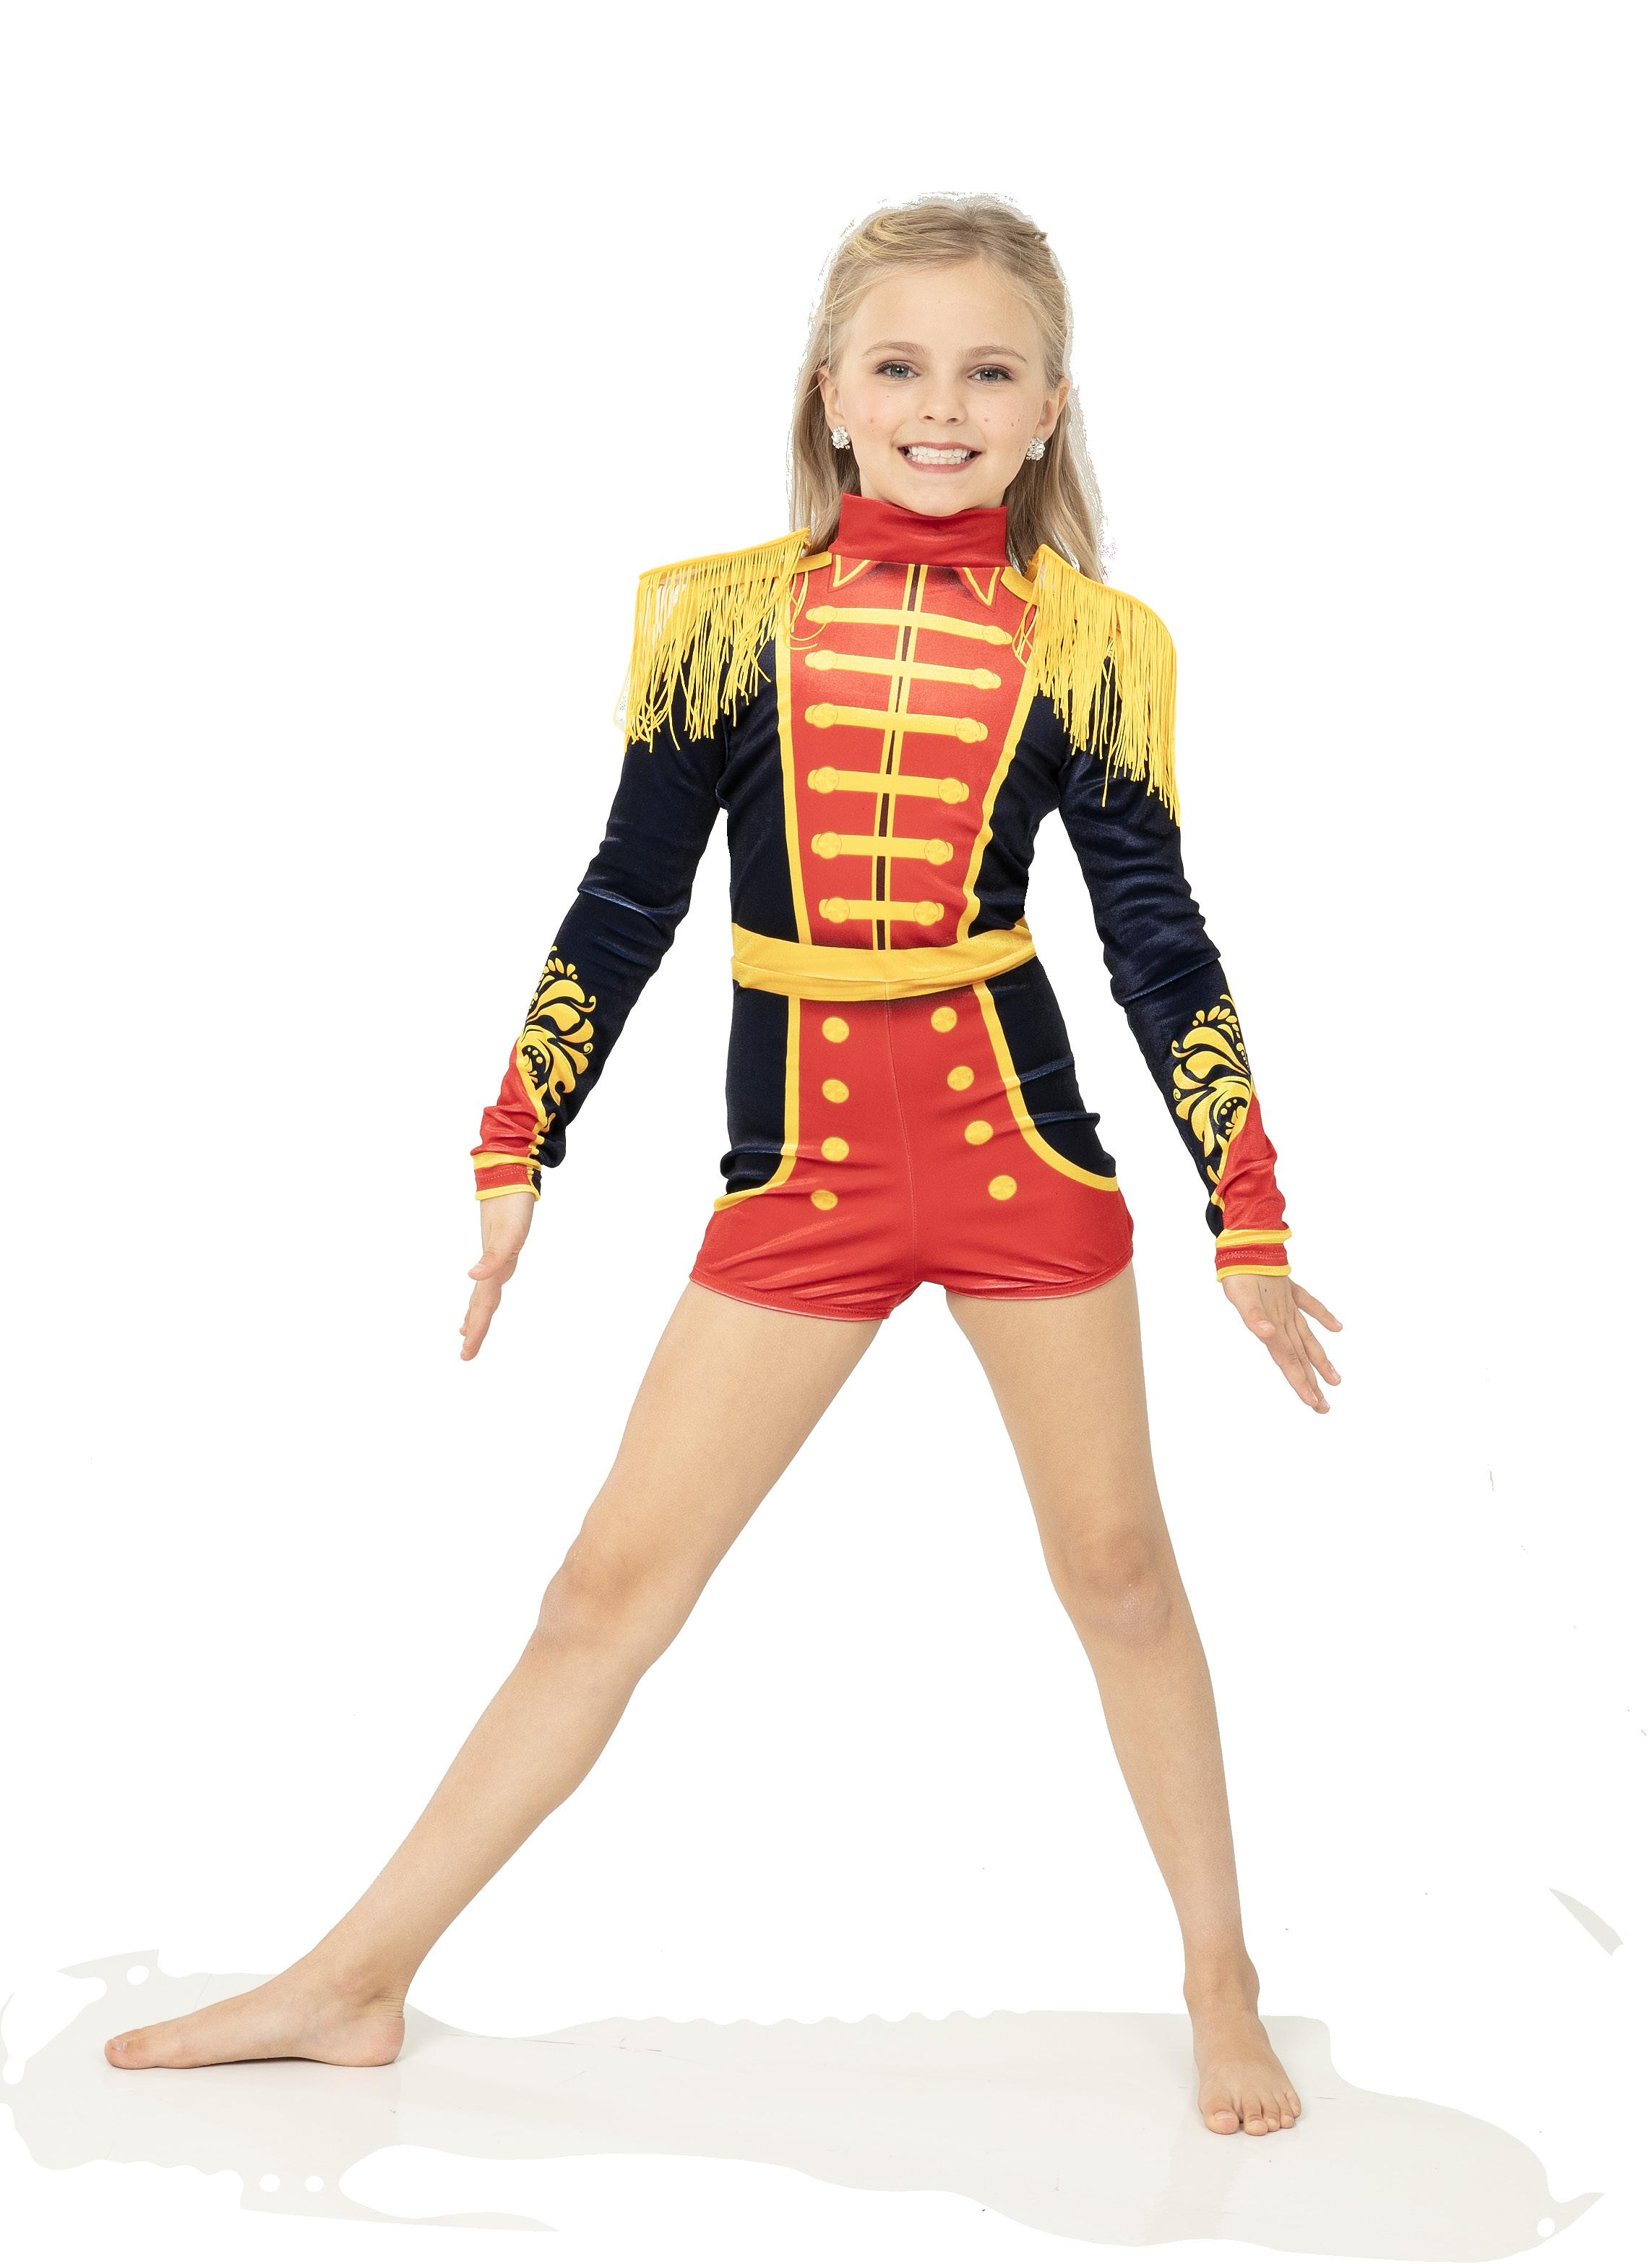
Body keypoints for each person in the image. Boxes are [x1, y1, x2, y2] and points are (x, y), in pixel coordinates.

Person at [107, 194, 1340, 2142]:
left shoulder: (1098, 650)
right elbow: (627, 901)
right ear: (831, 393)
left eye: (990, 372)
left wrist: (1243, 1212)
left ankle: (1220, 1973)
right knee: (603, 1589)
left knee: (1119, 1572)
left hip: (1021, 1155)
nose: (942, 406)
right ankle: (354, 1979)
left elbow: (1156, 940)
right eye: (901, 366)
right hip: (804, 1176)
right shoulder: (720, 623)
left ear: (1049, 411)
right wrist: (520, 1135)